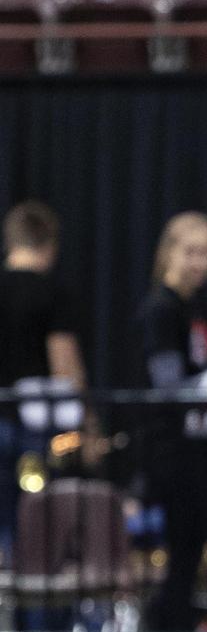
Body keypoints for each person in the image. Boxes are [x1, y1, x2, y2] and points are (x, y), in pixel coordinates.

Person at [137, 212, 207, 632]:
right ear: (169, 251)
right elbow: (167, 383)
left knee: (192, 547)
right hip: (170, 451)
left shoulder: (198, 306)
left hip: (198, 448)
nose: (200, 263)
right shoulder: (161, 308)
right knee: (178, 547)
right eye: (190, 252)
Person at [0, 201, 88, 558]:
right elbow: (64, 363)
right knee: (35, 528)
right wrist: (87, 422)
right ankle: (30, 607)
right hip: (31, 428)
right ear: (50, 244)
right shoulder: (49, 292)